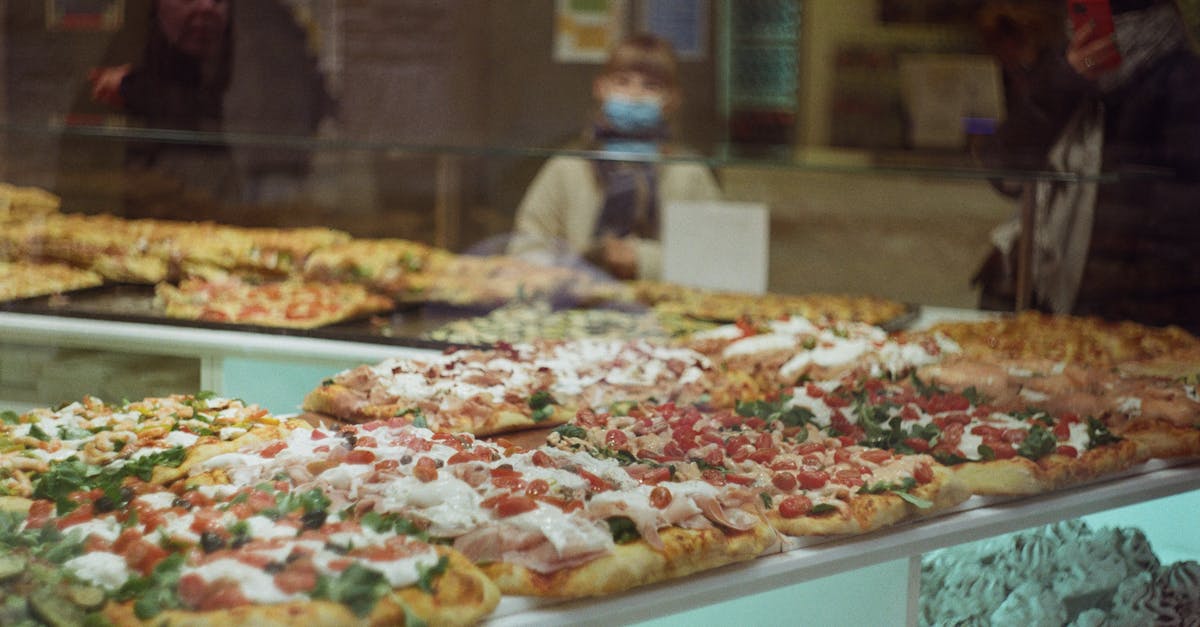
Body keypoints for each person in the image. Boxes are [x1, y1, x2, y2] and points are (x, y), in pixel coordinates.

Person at [973, 0, 1200, 333]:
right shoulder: (1066, 67)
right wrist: (1066, 80)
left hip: (1149, 315)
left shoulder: (1182, 80)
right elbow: (1003, 168)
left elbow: (1179, 218)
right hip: (1067, 304)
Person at [508, 34, 723, 281]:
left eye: (650, 86)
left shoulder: (689, 173)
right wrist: (580, 266)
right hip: (574, 307)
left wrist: (642, 260)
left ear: (672, 99)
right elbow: (524, 248)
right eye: (622, 82)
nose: (635, 94)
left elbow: (714, 260)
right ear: (601, 88)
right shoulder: (567, 166)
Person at [86, 0, 240, 216]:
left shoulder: (246, 54)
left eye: (218, 0)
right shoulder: (132, 47)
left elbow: (223, 108)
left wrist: (135, 89)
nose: (207, 7)